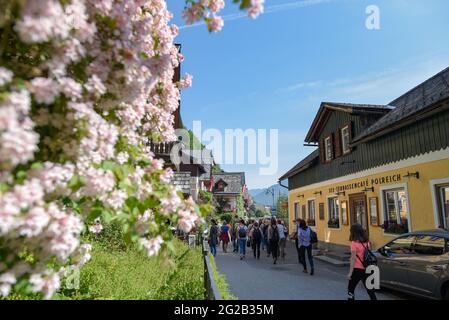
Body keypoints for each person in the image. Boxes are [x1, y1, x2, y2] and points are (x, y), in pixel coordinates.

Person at [347, 223, 377, 300]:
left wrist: (350, 273)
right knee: (370, 291)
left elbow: (353, 258)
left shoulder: (354, 243)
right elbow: (368, 254)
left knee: (351, 289)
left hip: (357, 269)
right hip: (367, 268)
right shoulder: (367, 242)